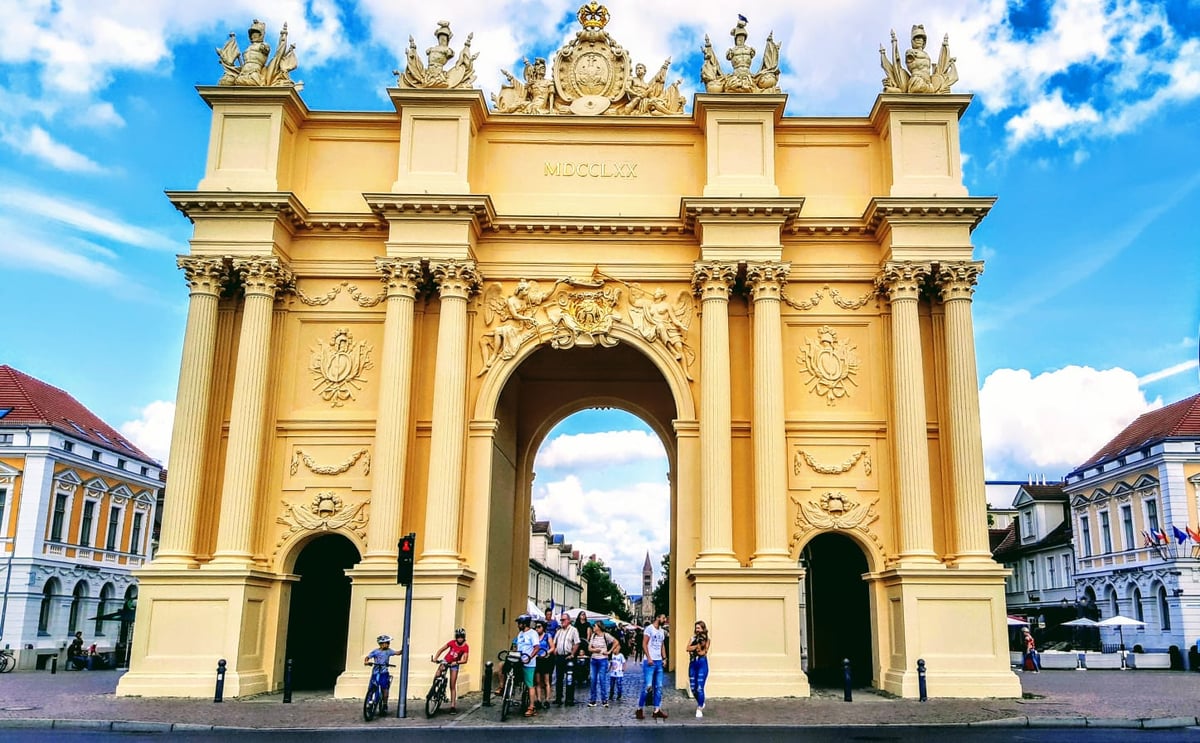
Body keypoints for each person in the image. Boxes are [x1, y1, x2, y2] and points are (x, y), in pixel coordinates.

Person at [636, 614, 668, 720]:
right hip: (650, 661)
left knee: (658, 687)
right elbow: (644, 644)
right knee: (648, 686)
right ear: (658, 618)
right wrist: (649, 657)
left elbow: (662, 645)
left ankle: (657, 710)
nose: (665, 620)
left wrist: (664, 658)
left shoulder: (662, 631)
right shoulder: (649, 629)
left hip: (659, 662)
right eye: (663, 618)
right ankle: (639, 709)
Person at [431, 627, 470, 714]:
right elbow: (441, 649)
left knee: (452, 684)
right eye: (458, 637)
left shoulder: (465, 647)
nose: (460, 638)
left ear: (464, 637)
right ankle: (433, 690)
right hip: (446, 660)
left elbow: (465, 660)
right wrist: (436, 658)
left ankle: (452, 706)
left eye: (461, 637)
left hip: (454, 664)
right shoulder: (452, 643)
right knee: (438, 673)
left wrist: (456, 662)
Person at [363, 634, 399, 716]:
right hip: (375, 673)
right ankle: (368, 702)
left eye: (388, 643)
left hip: (384, 673)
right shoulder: (375, 651)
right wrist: (366, 661)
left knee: (385, 689)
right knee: (371, 687)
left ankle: (385, 704)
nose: (388, 644)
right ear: (381, 644)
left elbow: (397, 653)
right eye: (387, 643)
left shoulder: (389, 651)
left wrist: (404, 649)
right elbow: (367, 657)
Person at [513, 614, 540, 717]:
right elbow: (517, 646)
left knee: (530, 685)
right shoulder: (520, 634)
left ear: (524, 624)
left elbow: (537, 648)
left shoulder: (533, 634)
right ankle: (505, 688)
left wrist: (530, 657)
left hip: (529, 663)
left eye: (519, 623)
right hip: (519, 661)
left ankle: (531, 707)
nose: (518, 625)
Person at [553, 611, 580, 706]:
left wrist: (573, 654)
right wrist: (555, 649)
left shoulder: (573, 630)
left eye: (563, 620)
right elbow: (554, 642)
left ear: (568, 620)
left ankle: (569, 699)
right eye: (561, 620)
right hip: (559, 657)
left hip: (568, 656)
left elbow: (577, 643)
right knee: (559, 678)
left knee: (569, 678)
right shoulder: (559, 631)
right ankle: (558, 698)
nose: (562, 621)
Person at [586, 621, 615, 707]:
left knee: (602, 680)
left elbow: (616, 642)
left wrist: (609, 652)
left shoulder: (606, 635)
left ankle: (604, 700)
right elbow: (589, 648)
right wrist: (595, 650)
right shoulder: (593, 636)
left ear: (599, 627)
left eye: (594, 626)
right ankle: (593, 700)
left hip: (603, 660)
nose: (593, 627)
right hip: (594, 660)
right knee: (593, 680)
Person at [687, 620, 711, 718]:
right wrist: (696, 646)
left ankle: (700, 707)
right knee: (693, 688)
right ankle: (701, 701)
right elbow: (687, 648)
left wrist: (698, 647)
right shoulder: (692, 638)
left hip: (702, 664)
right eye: (696, 628)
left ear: (703, 629)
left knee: (699, 687)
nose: (697, 630)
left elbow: (703, 653)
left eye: (699, 628)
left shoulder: (707, 640)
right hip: (693, 664)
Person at [533, 618, 556, 710]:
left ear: (543, 627)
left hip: (545, 660)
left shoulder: (547, 636)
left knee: (546, 681)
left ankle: (547, 700)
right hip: (537, 659)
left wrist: (546, 653)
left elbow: (552, 647)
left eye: (539, 627)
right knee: (538, 681)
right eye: (536, 627)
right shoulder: (534, 636)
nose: (537, 629)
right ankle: (538, 699)